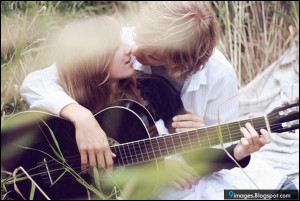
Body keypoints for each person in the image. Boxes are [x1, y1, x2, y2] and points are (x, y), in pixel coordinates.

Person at [20, 2, 291, 199]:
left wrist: (239, 151)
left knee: (277, 194)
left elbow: (201, 157)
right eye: (128, 43)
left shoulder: (157, 88)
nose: (133, 50)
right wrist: (82, 118)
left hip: (193, 181)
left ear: (179, 66)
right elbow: (35, 83)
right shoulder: (114, 40)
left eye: (150, 55)